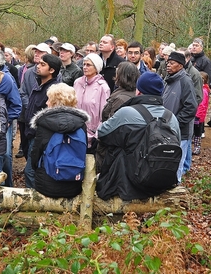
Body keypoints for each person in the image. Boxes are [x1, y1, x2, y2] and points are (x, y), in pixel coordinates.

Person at [96, 72, 180, 200]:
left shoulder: (126, 112)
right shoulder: (171, 117)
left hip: (127, 183)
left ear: (139, 90)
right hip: (160, 182)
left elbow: (102, 133)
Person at [30, 83, 89, 198]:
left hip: (46, 185)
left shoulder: (44, 123)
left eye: (49, 99)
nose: (46, 103)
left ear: (55, 102)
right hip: (73, 185)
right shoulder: (81, 124)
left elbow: (36, 154)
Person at [23, 54, 63, 188]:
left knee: (31, 171)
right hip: (31, 134)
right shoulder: (38, 84)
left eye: (42, 64)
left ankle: (36, 203)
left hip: (41, 138)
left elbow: (53, 117)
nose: (38, 66)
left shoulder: (54, 90)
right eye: (38, 63)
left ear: (52, 70)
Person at [162, 52, 198, 182]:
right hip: (166, 129)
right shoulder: (168, 79)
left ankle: (176, 188)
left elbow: (191, 107)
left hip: (180, 132)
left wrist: (175, 122)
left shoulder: (185, 81)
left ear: (181, 65)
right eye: (168, 63)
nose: (168, 65)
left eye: (172, 63)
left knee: (177, 163)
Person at [75, 53, 111, 152]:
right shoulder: (77, 82)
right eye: (84, 64)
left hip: (92, 135)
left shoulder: (103, 87)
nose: (85, 67)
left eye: (88, 65)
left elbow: (104, 115)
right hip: (75, 132)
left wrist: (96, 135)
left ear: (96, 68)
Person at [192, 72, 210, 155]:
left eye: (202, 79)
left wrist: (198, 116)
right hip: (195, 114)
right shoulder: (198, 89)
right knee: (194, 131)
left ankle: (197, 147)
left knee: (197, 132)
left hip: (198, 116)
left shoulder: (204, 91)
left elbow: (202, 105)